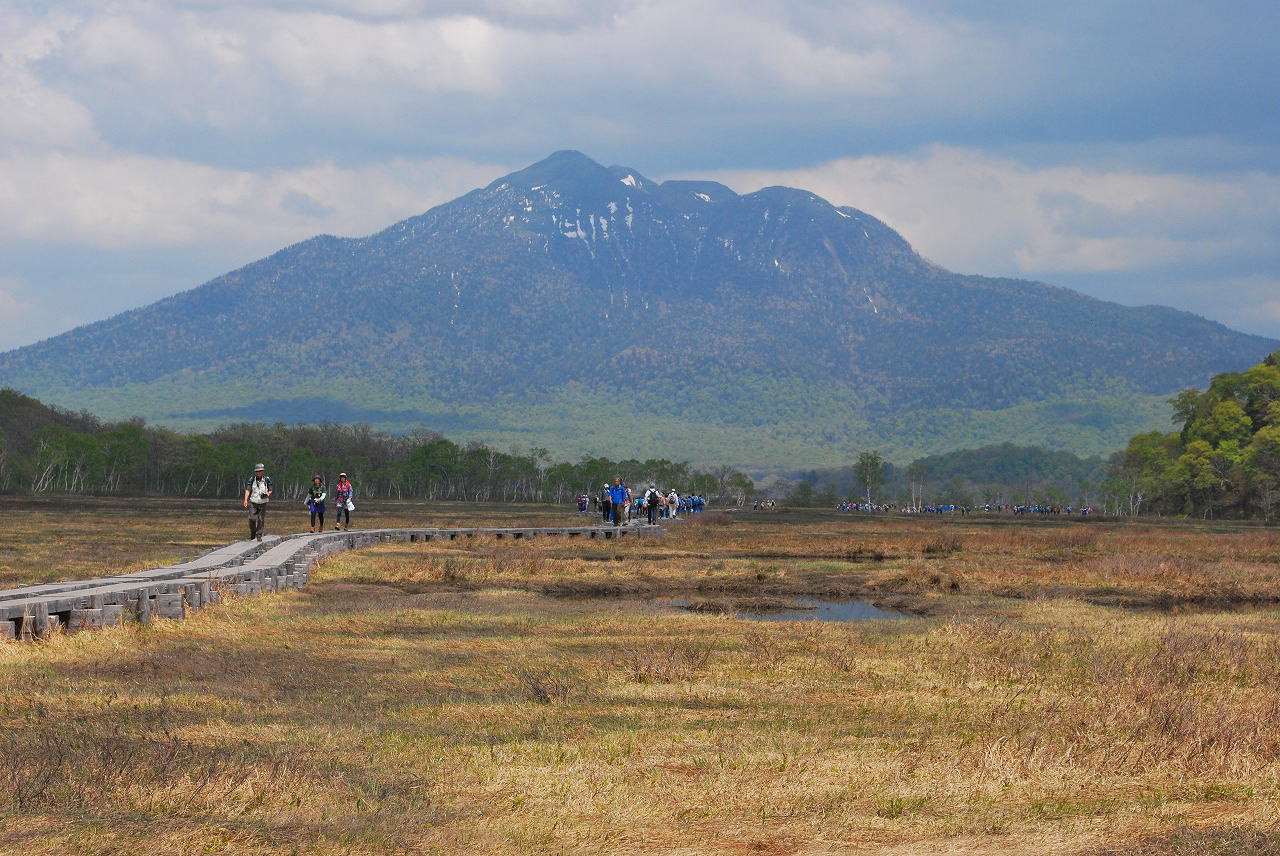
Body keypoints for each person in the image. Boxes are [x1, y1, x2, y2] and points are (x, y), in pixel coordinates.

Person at [242, 463, 273, 541]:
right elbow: (248, 490)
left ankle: (259, 535)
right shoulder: (252, 479)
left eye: (259, 471)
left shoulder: (267, 479)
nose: (258, 473)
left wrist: (267, 494)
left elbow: (270, 489)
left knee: (261, 519)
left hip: (263, 502)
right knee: (252, 518)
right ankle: (253, 533)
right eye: (256, 471)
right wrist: (245, 500)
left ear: (263, 471)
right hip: (253, 502)